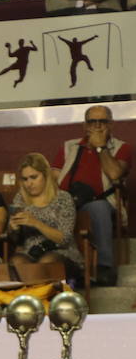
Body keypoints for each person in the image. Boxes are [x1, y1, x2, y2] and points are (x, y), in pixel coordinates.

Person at [53, 104, 129, 287]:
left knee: (99, 207)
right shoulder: (69, 146)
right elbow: (53, 176)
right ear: (84, 125)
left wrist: (101, 147)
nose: (97, 126)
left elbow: (115, 174)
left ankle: (104, 268)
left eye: (102, 121)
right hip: (67, 201)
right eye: (92, 121)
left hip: (100, 202)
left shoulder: (122, 148)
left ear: (111, 124)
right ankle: (62, 271)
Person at [10, 152, 82, 282]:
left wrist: (36, 223)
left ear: (45, 175)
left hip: (61, 253)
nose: (29, 183)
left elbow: (64, 238)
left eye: (33, 177)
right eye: (25, 179)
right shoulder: (20, 199)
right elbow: (16, 241)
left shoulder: (63, 198)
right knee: (16, 261)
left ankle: (42, 298)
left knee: (46, 261)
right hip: (30, 253)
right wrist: (14, 229)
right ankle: (27, 299)